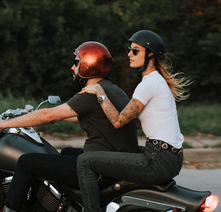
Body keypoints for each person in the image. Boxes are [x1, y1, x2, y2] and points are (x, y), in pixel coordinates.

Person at [0, 41, 138, 212]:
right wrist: (52, 116)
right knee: (66, 152)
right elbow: (83, 116)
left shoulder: (90, 93)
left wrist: (3, 123)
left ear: (88, 65)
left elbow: (47, 116)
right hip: (112, 165)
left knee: (26, 162)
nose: (72, 67)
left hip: (98, 171)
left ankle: (10, 209)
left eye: (76, 62)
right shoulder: (112, 89)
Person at [77, 30, 191, 212]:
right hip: (170, 157)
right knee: (122, 151)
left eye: (135, 50)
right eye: (129, 49)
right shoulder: (156, 81)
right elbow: (134, 120)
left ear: (150, 55)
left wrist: (99, 92)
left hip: (157, 160)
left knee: (85, 161)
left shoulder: (148, 84)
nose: (129, 54)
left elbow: (118, 121)